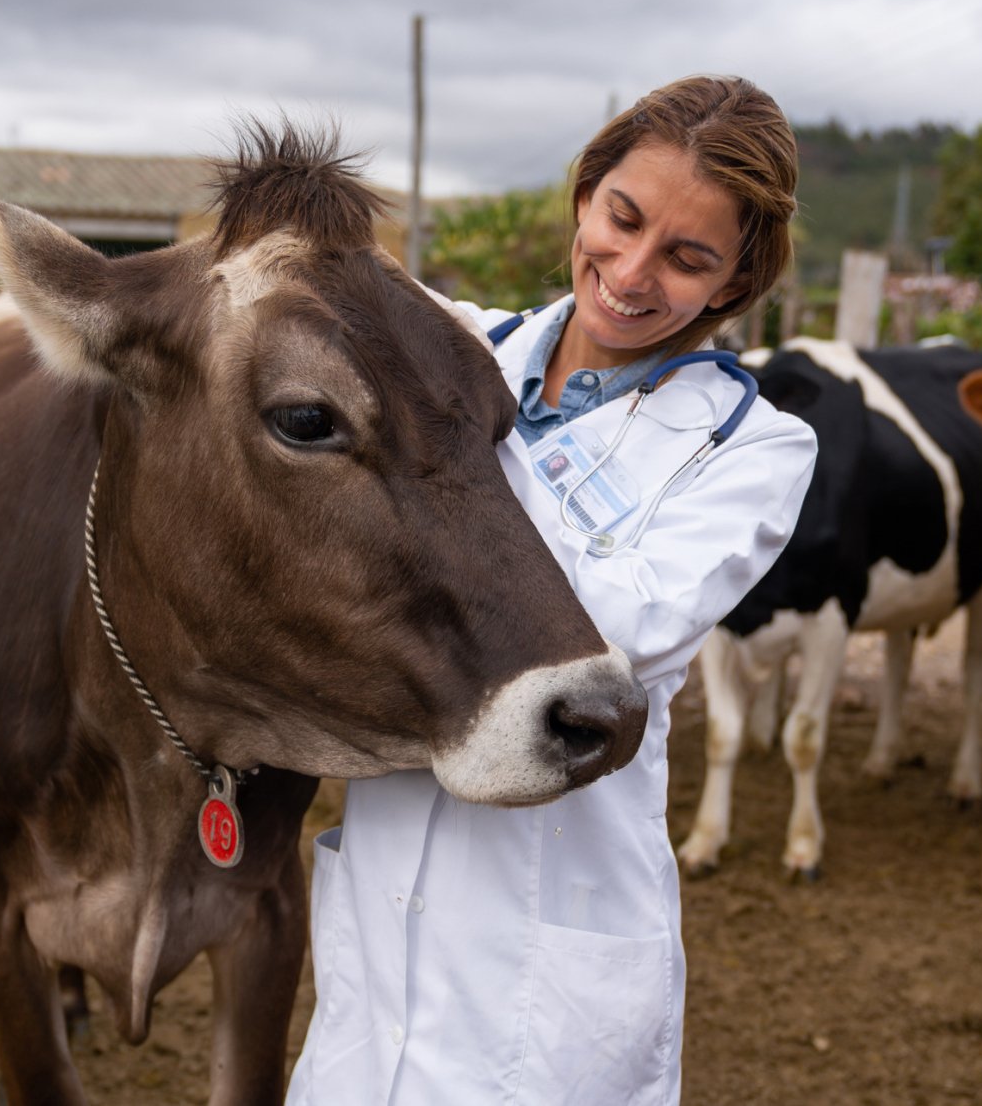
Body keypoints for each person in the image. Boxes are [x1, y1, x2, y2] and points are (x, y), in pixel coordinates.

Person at [288, 76, 817, 1105]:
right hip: (387, 904)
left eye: (687, 256)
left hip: (554, 916)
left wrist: (424, 470)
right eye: (621, 219)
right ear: (586, 194)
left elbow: (611, 633)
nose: (629, 271)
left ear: (736, 277)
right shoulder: (451, 351)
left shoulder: (754, 449)